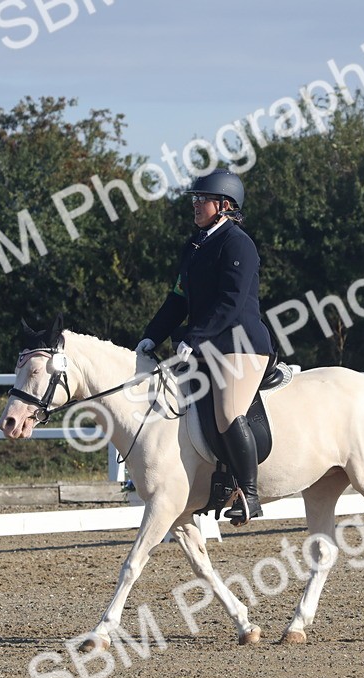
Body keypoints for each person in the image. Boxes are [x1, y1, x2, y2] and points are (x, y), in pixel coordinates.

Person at [137, 169, 274, 524]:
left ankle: (250, 494)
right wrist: (152, 334)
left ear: (225, 205)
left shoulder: (237, 243)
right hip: (207, 345)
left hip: (241, 344)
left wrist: (194, 338)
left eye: (203, 199)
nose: (195, 205)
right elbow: (177, 298)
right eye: (195, 198)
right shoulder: (196, 245)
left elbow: (229, 302)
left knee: (227, 412)